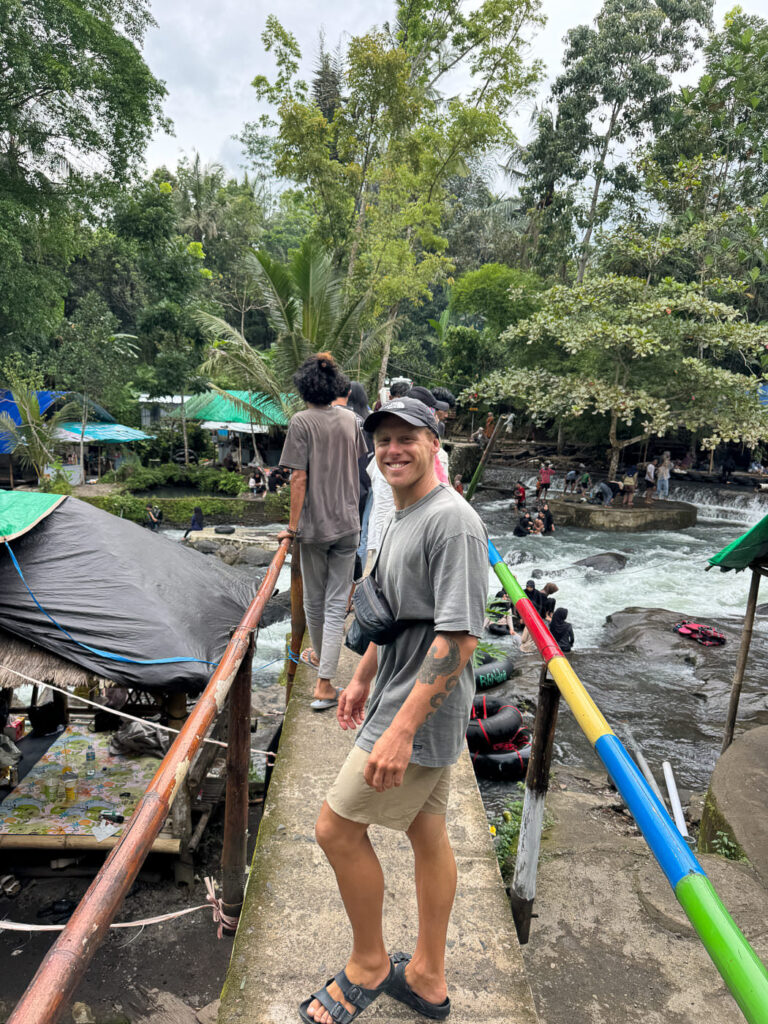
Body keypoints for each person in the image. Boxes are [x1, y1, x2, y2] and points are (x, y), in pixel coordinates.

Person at [300, 395, 487, 1024]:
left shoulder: (452, 522)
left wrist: (402, 730)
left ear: (436, 444)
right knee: (426, 830)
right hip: (394, 688)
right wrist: (360, 676)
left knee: (336, 828)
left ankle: (371, 963)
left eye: (408, 437)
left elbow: (459, 638)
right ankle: (428, 977)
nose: (393, 449)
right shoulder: (402, 513)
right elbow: (404, 616)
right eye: (382, 439)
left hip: (420, 709)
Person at [277, 353, 368, 711]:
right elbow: (358, 462)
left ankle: (324, 682)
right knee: (334, 603)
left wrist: (291, 528)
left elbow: (298, 477)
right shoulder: (351, 420)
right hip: (348, 523)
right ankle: (324, 675)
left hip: (315, 527)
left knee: (316, 601)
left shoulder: (301, 422)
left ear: (304, 388)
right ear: (334, 387)